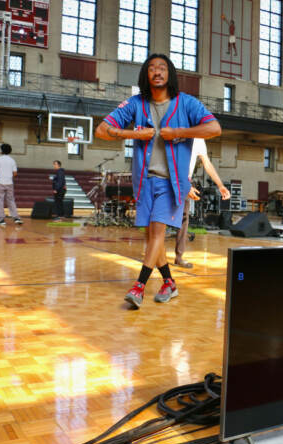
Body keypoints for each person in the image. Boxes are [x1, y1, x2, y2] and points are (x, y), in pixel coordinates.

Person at [95, 53, 221, 309]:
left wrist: (179, 132)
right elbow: (102, 130)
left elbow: (215, 128)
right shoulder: (135, 104)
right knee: (152, 238)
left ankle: (139, 286)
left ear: (170, 74)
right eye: (151, 68)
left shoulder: (187, 104)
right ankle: (170, 283)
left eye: (162, 68)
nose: (157, 72)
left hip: (172, 184)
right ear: (146, 75)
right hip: (144, 182)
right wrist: (132, 134)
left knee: (157, 235)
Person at [174, 139, 230, 268]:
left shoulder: (198, 139)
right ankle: (155, 257)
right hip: (170, 179)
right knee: (160, 220)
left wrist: (220, 185)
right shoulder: (178, 128)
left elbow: (207, 163)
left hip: (185, 182)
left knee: (183, 219)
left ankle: (179, 256)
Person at [0, 143, 23, 226]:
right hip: (9, 183)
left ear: (1, 150)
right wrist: (8, 176)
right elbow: (15, 173)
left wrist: (1, 176)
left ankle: (1, 219)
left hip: (0, 182)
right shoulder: (12, 160)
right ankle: (16, 217)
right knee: (11, 200)